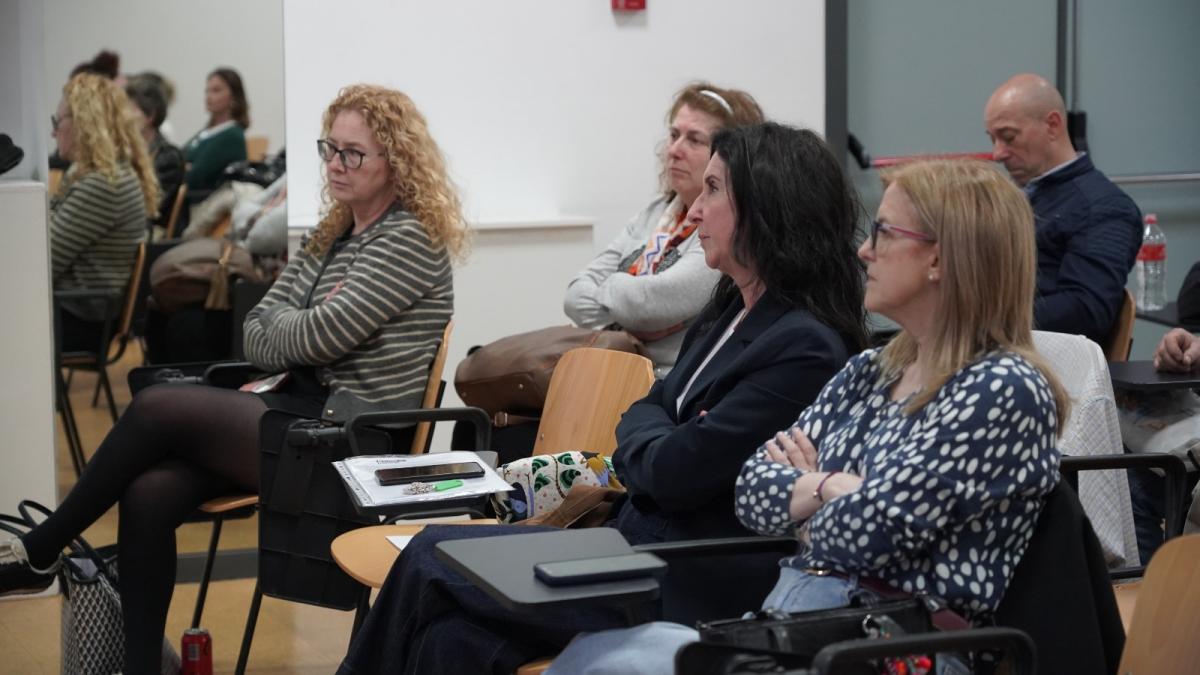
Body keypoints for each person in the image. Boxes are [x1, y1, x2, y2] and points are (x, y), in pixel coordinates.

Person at [339, 122, 870, 674]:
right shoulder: (732, 308)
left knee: (431, 556)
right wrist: (659, 430)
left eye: (713, 191)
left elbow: (673, 470)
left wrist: (654, 433)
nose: (695, 212)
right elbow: (649, 410)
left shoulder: (805, 346)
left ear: (765, 211)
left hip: (684, 571)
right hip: (632, 542)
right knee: (452, 635)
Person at [0, 84, 467, 674]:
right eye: (330, 149)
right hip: (302, 416)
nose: (334, 165)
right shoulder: (334, 233)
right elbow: (259, 331)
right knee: (148, 494)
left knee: (157, 407)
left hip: (353, 443)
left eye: (353, 154)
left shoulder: (406, 238)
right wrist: (300, 328)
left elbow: (311, 338)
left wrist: (297, 330)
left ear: (395, 160)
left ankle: (43, 548)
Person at [546, 158, 1073, 675]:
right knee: (599, 654)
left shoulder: (1003, 388)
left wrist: (808, 487)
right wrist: (834, 488)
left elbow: (874, 532)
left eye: (885, 233)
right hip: (799, 624)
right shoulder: (872, 370)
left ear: (940, 258)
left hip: (895, 648)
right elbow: (753, 490)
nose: (865, 250)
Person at [564, 82, 764, 377]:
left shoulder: (729, 226)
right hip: (617, 370)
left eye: (694, 140)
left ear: (729, 156)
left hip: (672, 380)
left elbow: (654, 301)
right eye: (673, 135)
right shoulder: (656, 212)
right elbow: (574, 296)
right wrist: (632, 319)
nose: (674, 150)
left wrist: (616, 296)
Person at [984, 73, 1141, 345]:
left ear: (1053, 125)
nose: (998, 153)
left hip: (1042, 367)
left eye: (1008, 137)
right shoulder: (1021, 196)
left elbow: (1086, 309)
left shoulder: (1103, 208)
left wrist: (983, 319)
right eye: (993, 139)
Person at [49, 72, 159, 352]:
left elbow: (44, 263)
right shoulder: (103, 174)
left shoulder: (102, 184)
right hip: (81, 311)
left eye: (57, 121)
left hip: (79, 319)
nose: (53, 132)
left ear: (84, 123)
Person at [125, 75, 185, 231]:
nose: (122, 118)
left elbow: (150, 208)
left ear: (149, 116)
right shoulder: (126, 152)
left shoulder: (168, 157)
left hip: (148, 237)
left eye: (129, 110)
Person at [183, 67, 249, 194]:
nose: (208, 97)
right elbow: (178, 159)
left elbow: (193, 177)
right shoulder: (208, 131)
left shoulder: (231, 135)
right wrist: (184, 167)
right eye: (207, 91)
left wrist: (186, 167)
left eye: (216, 90)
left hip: (200, 205)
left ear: (234, 96)